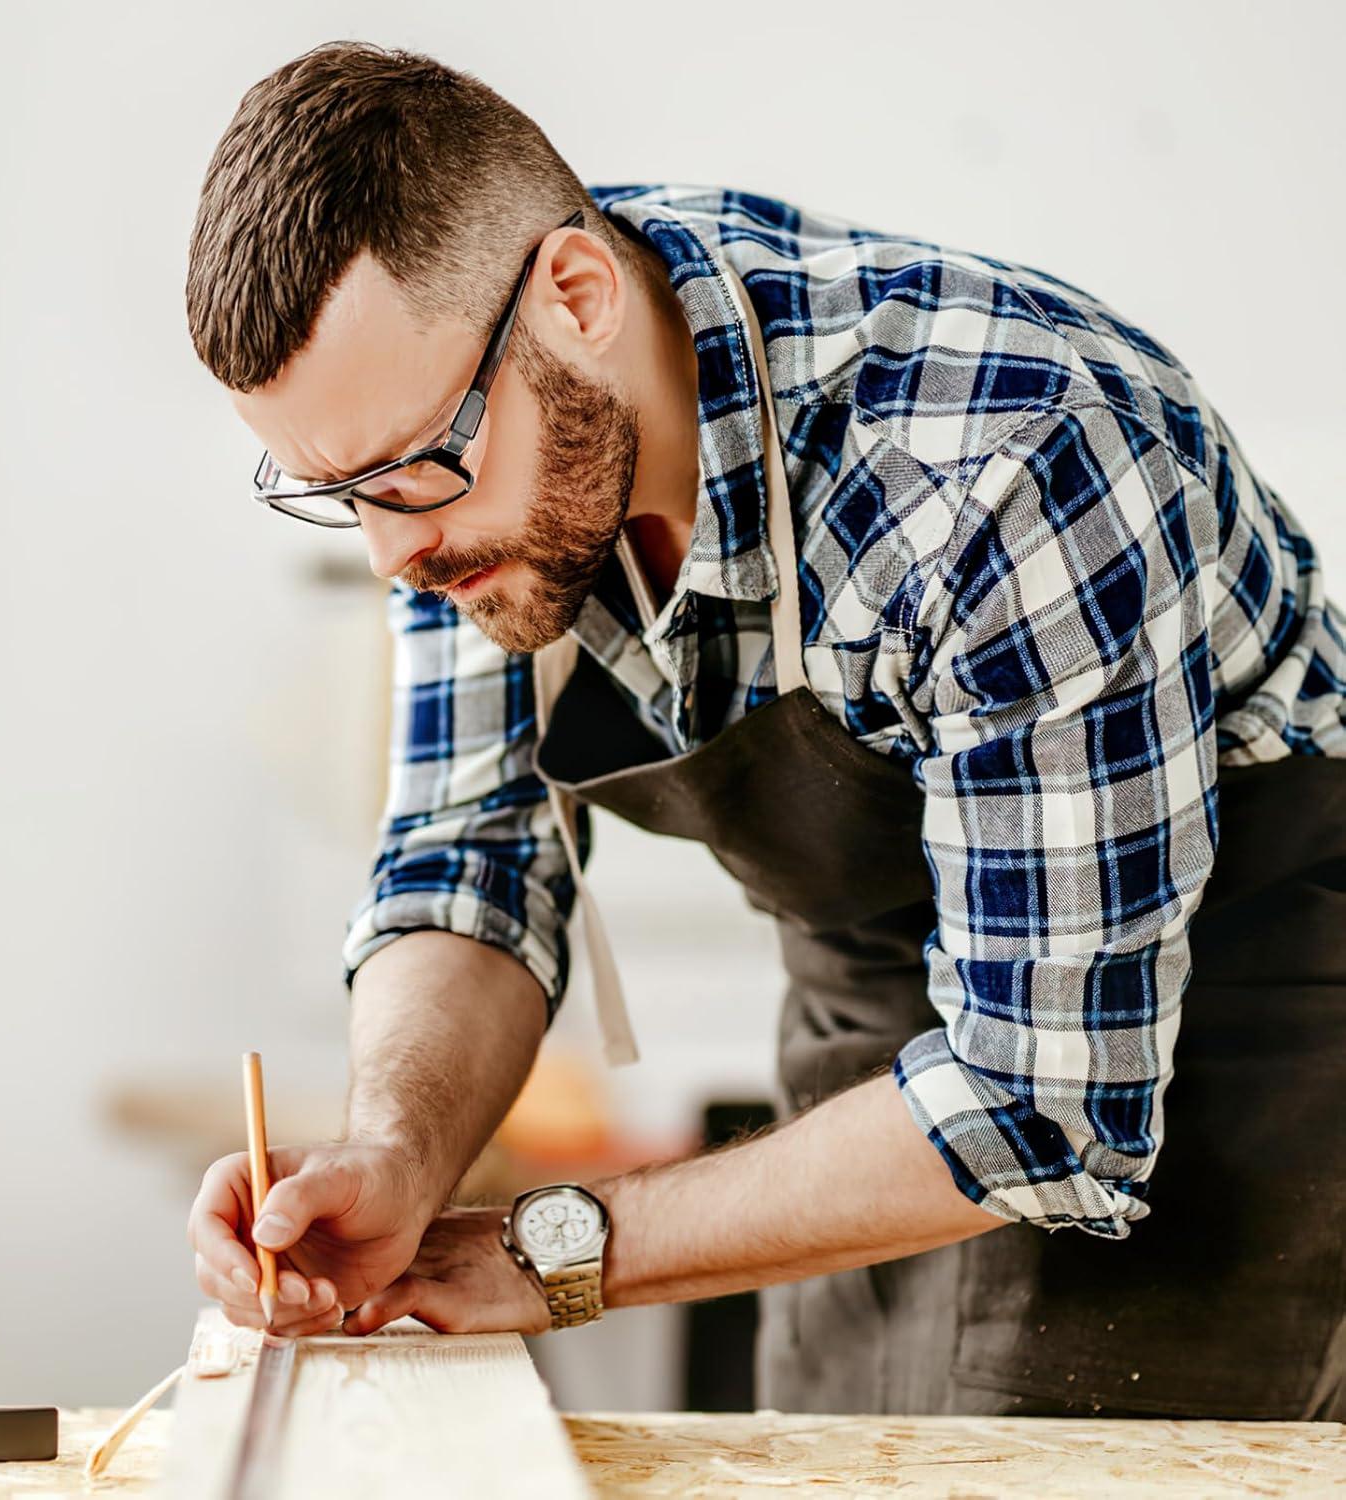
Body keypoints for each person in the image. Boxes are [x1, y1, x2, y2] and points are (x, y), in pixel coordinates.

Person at [182, 41, 1344, 1417]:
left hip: (1220, 1067)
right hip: (872, 1065)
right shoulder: (474, 425)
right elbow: (468, 863)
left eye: (413, 472)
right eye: (338, 494)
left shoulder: (1003, 467)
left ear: (578, 296)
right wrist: (392, 1155)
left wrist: (547, 1252)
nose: (390, 554)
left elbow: (1043, 1104)